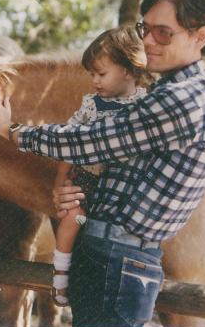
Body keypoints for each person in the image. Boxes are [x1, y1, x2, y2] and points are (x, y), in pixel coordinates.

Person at [0, 0, 205, 327]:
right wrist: (69, 190)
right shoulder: (174, 90)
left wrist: (9, 130)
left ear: (200, 37)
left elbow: (91, 141)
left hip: (118, 258)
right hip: (115, 253)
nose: (148, 41)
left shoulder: (182, 100)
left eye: (163, 33)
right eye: (144, 29)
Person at [50, 26, 150, 307]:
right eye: (92, 74)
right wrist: (61, 181)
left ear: (128, 71)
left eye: (101, 74)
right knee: (75, 219)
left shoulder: (145, 105)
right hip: (86, 186)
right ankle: (60, 275)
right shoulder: (91, 106)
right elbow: (68, 142)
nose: (94, 81)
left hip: (121, 193)